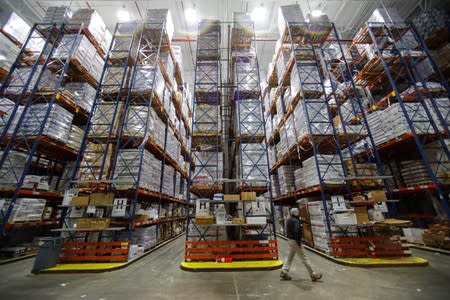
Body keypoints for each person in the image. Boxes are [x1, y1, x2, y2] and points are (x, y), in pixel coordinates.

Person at [280, 207, 322, 281]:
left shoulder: (290, 219)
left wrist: (306, 222)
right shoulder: (296, 221)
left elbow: (299, 221)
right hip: (295, 241)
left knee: (290, 257)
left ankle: (284, 271)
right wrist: (299, 242)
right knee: (304, 258)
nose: (299, 212)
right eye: (298, 212)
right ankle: (313, 274)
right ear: (295, 213)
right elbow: (297, 230)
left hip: (290, 240)